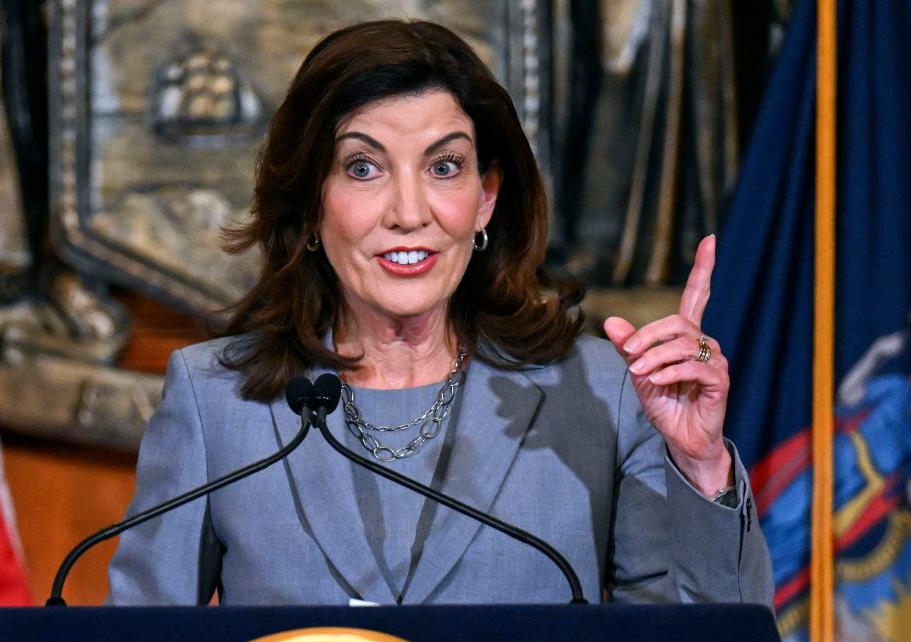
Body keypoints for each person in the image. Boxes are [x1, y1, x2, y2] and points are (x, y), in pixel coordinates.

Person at [107, 19, 772, 607]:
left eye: (444, 167)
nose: (409, 212)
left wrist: (701, 468)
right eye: (363, 168)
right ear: (311, 203)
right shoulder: (216, 402)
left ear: (485, 198)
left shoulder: (598, 393)